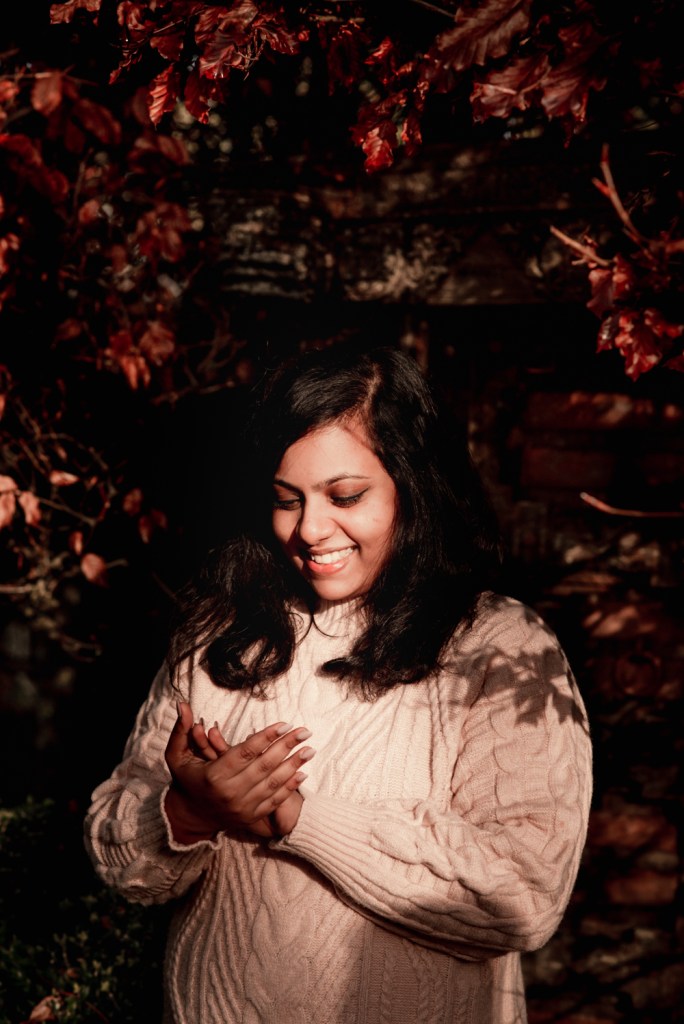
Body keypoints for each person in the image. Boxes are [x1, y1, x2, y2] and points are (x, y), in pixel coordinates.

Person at [85, 344, 592, 1024]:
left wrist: (295, 817)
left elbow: (522, 896)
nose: (309, 530)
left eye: (345, 496)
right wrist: (189, 815)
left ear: (414, 485)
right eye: (285, 499)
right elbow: (118, 855)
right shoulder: (219, 634)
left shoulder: (498, 646)